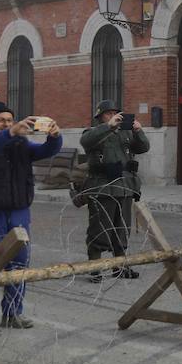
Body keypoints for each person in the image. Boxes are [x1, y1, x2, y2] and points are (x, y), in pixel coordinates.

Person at [0, 103, 62, 336]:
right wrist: (10, 133)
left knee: (19, 264)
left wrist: (54, 137)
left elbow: (45, 152)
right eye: (0, 120)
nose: (6, 124)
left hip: (18, 211)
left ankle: (13, 312)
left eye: (10, 120)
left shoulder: (21, 144)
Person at [80, 100, 150, 281]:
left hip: (124, 187)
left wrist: (138, 130)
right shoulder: (93, 132)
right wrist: (108, 127)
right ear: (100, 116)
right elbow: (86, 141)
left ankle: (120, 267)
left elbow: (143, 147)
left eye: (114, 113)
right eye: (108, 113)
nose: (112, 116)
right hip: (102, 187)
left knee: (122, 229)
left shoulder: (125, 133)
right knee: (99, 229)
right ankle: (94, 268)